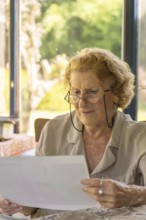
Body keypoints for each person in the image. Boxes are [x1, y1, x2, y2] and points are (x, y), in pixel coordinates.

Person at [1, 47, 146, 218]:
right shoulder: (53, 130)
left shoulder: (139, 136)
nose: (81, 102)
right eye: (76, 92)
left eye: (92, 92)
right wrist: (19, 203)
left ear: (116, 94)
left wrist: (131, 194)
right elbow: (38, 205)